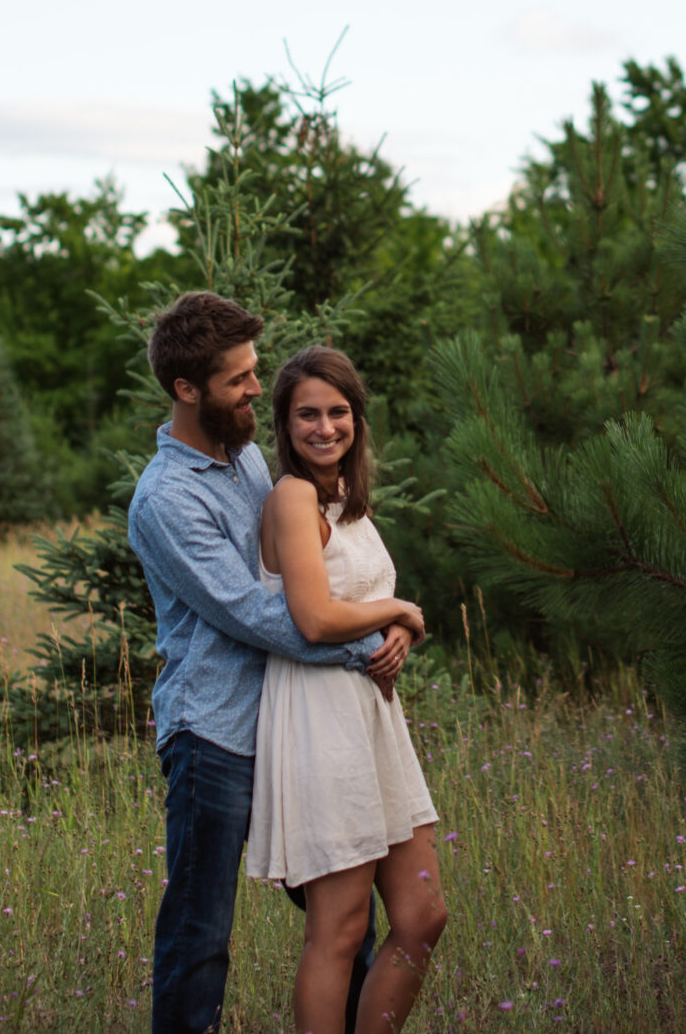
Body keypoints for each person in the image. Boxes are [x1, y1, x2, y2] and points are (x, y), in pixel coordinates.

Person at [126, 294, 424, 1034]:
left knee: (342, 914)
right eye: (239, 379)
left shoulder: (249, 458)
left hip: (289, 722)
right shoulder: (165, 499)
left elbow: (300, 571)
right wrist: (373, 641)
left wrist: (385, 630)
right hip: (214, 731)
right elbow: (261, 612)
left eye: (256, 372)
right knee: (201, 931)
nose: (257, 388)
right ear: (187, 390)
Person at [247, 345, 448, 1034]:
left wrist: (402, 632)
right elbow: (316, 615)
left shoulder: (347, 501)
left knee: (424, 916)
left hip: (374, 721)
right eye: (307, 413)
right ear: (284, 423)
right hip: (318, 717)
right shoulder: (294, 495)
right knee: (339, 929)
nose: (324, 426)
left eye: (338, 412)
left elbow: (366, 600)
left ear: (357, 420)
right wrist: (401, 611)